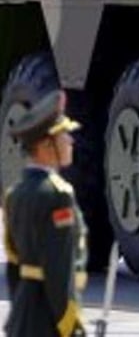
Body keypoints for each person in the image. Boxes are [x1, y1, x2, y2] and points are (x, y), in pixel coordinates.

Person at [3, 90, 88, 337]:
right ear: (45, 146)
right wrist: (71, 327)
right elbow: (58, 271)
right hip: (48, 321)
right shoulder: (57, 194)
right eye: (64, 136)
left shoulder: (14, 194)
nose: (70, 142)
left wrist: (21, 311)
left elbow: (13, 266)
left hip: (22, 317)